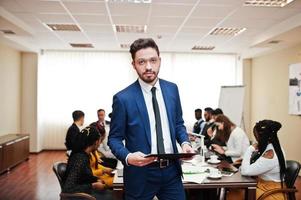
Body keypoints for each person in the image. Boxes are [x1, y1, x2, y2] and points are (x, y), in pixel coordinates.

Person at [108, 38, 193, 200]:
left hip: (171, 172)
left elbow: (178, 123)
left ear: (159, 61)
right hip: (140, 174)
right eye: (141, 62)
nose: (148, 67)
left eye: (153, 61)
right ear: (133, 65)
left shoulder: (172, 89)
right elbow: (114, 139)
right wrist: (127, 157)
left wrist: (185, 143)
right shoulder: (123, 98)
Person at [228, 120, 286, 200]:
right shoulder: (275, 147)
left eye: (256, 137)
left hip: (270, 193)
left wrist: (250, 149)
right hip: (263, 185)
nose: (256, 140)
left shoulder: (270, 154)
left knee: (234, 194)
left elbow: (245, 171)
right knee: (234, 190)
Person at [63, 126, 113, 200]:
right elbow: (67, 188)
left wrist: (96, 179)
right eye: (99, 141)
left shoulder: (83, 154)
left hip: (86, 191)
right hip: (82, 196)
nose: (99, 144)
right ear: (96, 142)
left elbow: (83, 175)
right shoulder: (80, 158)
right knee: (117, 195)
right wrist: (93, 185)